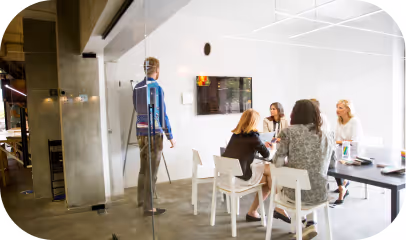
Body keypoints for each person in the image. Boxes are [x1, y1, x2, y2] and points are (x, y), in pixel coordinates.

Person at [272, 99, 336, 239]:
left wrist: (291, 162)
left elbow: (277, 162)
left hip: (295, 194)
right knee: (307, 181)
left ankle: (302, 224)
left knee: (294, 184)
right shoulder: (328, 135)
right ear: (316, 114)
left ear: (294, 113)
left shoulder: (288, 132)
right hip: (320, 193)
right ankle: (309, 224)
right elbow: (332, 165)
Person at [222, 109, 290, 224]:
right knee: (271, 174)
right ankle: (277, 206)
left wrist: (260, 144)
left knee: (269, 174)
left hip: (230, 176)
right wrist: (271, 147)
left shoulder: (235, 135)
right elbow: (267, 155)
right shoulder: (253, 136)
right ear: (254, 122)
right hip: (241, 178)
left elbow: (246, 148)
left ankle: (258, 211)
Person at [133, 57, 176, 216]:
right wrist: (170, 135)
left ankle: (141, 200)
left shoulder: (137, 87)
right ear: (157, 70)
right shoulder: (157, 88)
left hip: (140, 132)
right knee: (152, 172)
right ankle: (149, 207)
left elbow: (137, 108)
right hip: (154, 134)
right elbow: (162, 115)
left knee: (143, 169)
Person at [334, 99, 363, 204]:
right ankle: (343, 186)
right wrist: (338, 142)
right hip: (342, 149)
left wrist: (339, 142)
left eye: (340, 108)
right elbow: (337, 138)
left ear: (347, 109)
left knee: (338, 162)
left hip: (353, 151)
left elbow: (354, 141)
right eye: (337, 107)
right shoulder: (339, 121)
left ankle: (342, 187)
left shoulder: (354, 121)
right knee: (333, 161)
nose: (337, 110)